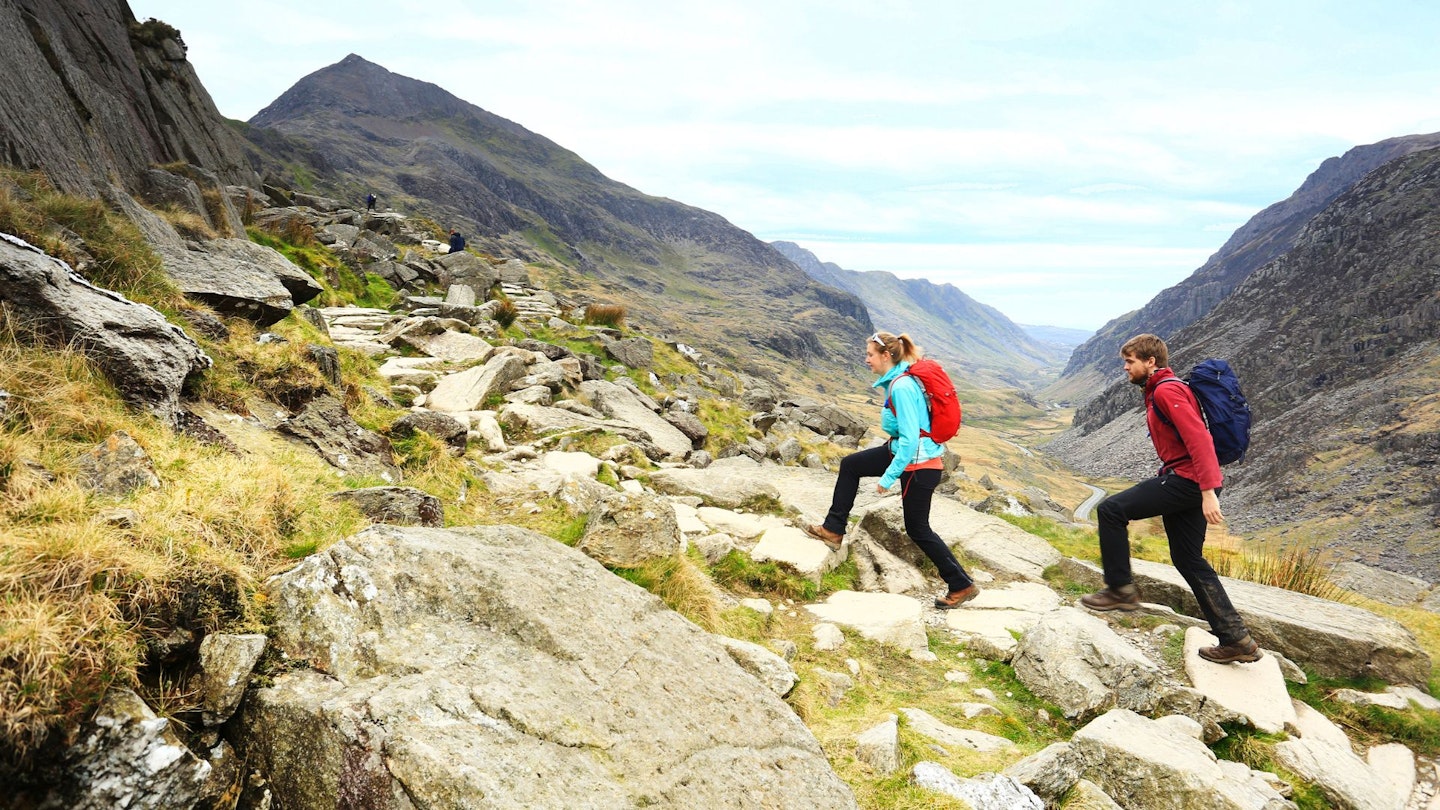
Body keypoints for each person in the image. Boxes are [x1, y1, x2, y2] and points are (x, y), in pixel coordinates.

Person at [1080, 333, 1262, 664]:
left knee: (1110, 510)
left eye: (1130, 361)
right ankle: (1237, 639)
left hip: (1190, 483)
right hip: (1188, 480)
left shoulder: (1167, 390)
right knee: (1188, 559)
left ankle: (1120, 589)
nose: (1125, 368)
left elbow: (1200, 440)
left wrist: (1208, 492)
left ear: (1151, 362)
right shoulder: (1161, 390)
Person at [806, 331, 979, 609]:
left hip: (919, 464)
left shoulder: (901, 386)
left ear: (886, 356)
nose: (866, 360)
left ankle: (961, 584)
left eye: (870, 355)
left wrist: (888, 477)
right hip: (901, 452)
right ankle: (833, 529)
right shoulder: (898, 379)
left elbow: (911, 438)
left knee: (918, 528)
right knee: (850, 465)